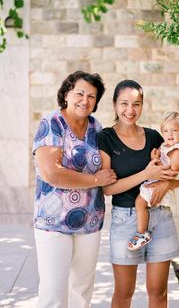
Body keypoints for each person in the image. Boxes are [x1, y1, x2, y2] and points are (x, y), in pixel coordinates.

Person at [32, 70, 117, 308]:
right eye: (80, 92)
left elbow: (108, 166)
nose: (85, 100)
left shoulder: (96, 127)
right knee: (54, 293)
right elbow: (52, 173)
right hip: (53, 222)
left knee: (82, 292)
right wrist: (95, 180)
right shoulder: (52, 123)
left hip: (90, 222)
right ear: (66, 94)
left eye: (92, 96)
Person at [98, 79, 179, 308]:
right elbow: (107, 189)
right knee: (124, 293)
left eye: (137, 104)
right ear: (115, 104)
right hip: (126, 218)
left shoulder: (155, 136)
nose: (130, 110)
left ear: (142, 105)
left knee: (158, 293)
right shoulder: (106, 138)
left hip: (160, 216)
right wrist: (145, 173)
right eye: (124, 103)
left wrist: (166, 185)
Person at [128, 111, 179, 251]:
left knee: (139, 203)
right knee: (142, 203)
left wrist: (156, 163)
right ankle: (145, 230)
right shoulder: (166, 146)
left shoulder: (178, 151)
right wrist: (155, 158)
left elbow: (172, 172)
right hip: (157, 180)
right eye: (166, 130)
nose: (169, 134)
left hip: (163, 182)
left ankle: (142, 234)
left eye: (174, 130)